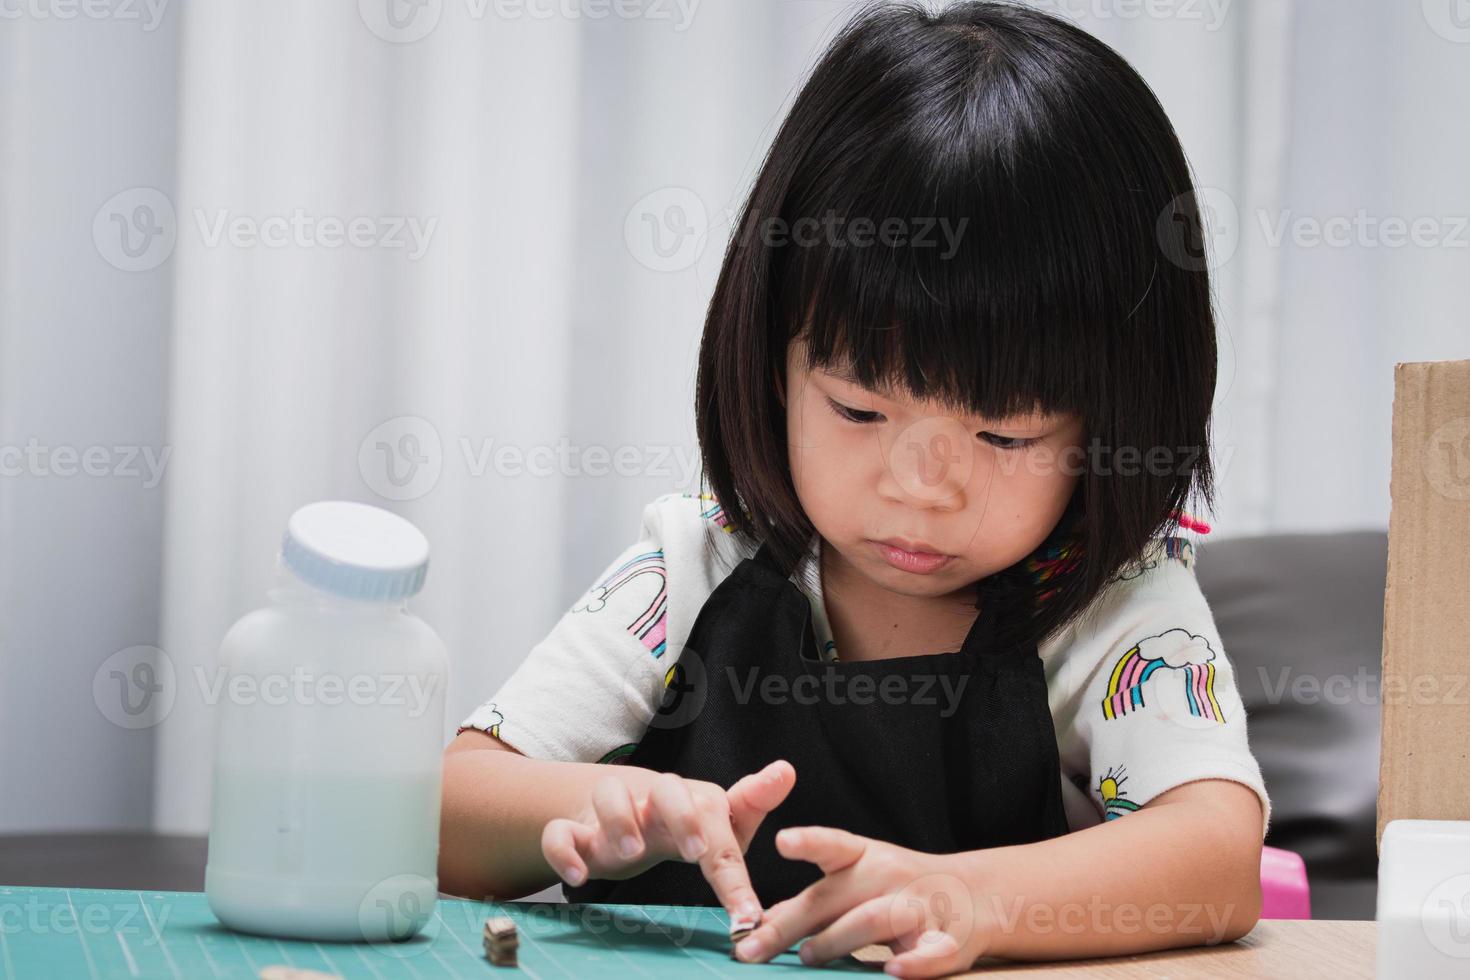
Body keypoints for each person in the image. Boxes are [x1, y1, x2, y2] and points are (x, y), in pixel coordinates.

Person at [439, 2, 1269, 974]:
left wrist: (971, 896)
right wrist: (593, 807)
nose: (919, 487)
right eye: (859, 411)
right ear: (769, 363)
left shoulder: (1112, 601)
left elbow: (1216, 855)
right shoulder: (703, 555)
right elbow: (447, 812)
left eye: (1004, 433)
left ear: (1115, 422)